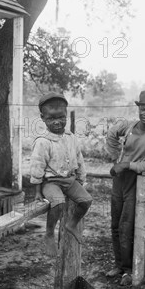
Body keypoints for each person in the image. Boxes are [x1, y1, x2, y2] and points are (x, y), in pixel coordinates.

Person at [105, 90, 145, 286]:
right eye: (143, 109)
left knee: (128, 226)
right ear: (138, 109)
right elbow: (111, 134)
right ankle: (118, 264)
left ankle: (129, 269)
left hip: (137, 182)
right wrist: (116, 157)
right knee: (115, 224)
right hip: (120, 180)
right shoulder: (129, 126)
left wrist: (128, 165)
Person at [29, 92, 92, 257]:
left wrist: (80, 179)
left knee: (86, 200)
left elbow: (79, 158)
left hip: (69, 180)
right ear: (43, 118)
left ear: (66, 116)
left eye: (61, 117)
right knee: (58, 202)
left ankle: (72, 224)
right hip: (51, 182)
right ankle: (49, 233)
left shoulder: (71, 137)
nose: (57, 122)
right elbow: (37, 166)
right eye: (51, 118)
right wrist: (37, 192)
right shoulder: (43, 141)